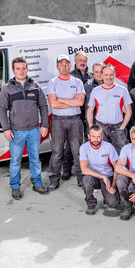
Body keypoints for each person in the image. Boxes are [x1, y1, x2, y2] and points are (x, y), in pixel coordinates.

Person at [0, 57, 50, 199]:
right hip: (16, 132)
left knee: (35, 159)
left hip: (34, 131)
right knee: (15, 161)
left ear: (27, 69)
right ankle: (15, 186)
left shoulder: (35, 86)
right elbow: (2, 109)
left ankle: (37, 183)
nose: (21, 71)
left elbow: (43, 106)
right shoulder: (7, 89)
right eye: (18, 69)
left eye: (24, 68)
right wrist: (6, 129)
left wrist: (44, 124)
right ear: (13, 70)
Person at [45, 54, 86, 190]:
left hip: (75, 120)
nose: (64, 67)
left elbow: (80, 102)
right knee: (57, 152)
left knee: (77, 152)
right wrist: (71, 101)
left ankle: (81, 178)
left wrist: (60, 99)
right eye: (61, 64)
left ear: (70, 65)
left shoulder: (77, 82)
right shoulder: (53, 82)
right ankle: (54, 179)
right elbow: (53, 104)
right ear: (57, 67)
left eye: (66, 64)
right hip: (58, 121)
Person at [87, 63, 132, 153]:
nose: (109, 77)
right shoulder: (96, 91)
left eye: (111, 74)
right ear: (102, 75)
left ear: (115, 75)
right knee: (102, 153)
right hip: (101, 127)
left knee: (122, 153)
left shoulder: (122, 90)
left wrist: (122, 127)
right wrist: (91, 127)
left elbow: (129, 110)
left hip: (118, 127)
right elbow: (90, 110)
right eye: (106, 75)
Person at [61, 50, 91, 179]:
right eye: (80, 60)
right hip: (74, 114)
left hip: (89, 115)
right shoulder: (70, 76)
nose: (82, 63)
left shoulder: (91, 77)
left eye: (84, 60)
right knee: (70, 143)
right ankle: (67, 168)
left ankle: (88, 168)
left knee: (90, 142)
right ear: (75, 61)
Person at [79, 125, 120, 215]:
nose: (96, 139)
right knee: (86, 180)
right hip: (93, 177)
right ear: (89, 136)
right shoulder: (84, 148)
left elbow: (117, 167)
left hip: (108, 176)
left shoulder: (108, 146)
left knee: (113, 203)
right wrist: (103, 176)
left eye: (98, 137)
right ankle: (91, 203)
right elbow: (84, 169)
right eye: (93, 136)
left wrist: (113, 185)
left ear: (102, 136)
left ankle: (107, 197)